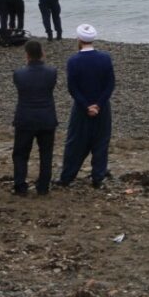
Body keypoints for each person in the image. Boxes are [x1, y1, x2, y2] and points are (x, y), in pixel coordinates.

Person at [57, 23, 115, 189]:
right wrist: (99, 104)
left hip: (81, 108)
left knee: (75, 142)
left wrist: (86, 106)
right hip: (102, 107)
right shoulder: (105, 58)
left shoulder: (74, 61)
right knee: (101, 141)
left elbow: (72, 88)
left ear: (79, 40)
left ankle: (67, 176)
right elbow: (110, 85)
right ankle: (98, 176)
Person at [12, 39, 58, 196]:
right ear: (42, 53)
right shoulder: (51, 72)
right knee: (46, 154)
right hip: (46, 117)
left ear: (27, 55)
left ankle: (20, 185)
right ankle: (43, 186)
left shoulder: (19, 74)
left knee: (20, 153)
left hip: (25, 118)